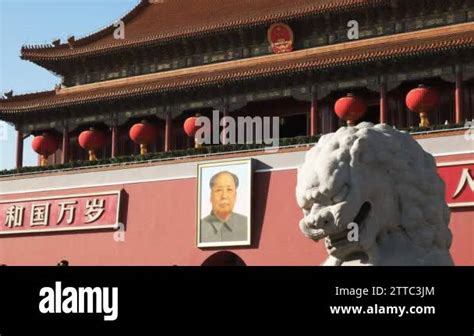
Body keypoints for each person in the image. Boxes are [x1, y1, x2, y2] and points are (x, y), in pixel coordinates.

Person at [200, 171, 248, 243]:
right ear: (211, 196)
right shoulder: (200, 228)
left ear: (235, 195)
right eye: (219, 190)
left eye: (229, 190)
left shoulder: (246, 225)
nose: (224, 196)